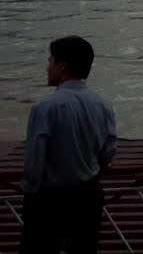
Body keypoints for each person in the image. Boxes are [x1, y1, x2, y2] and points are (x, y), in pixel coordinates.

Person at [20, 36, 117, 254]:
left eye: (50, 61)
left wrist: (29, 191)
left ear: (62, 65)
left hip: (49, 199)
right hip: (87, 195)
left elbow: (34, 161)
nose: (48, 68)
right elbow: (109, 149)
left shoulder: (44, 107)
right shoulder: (102, 104)